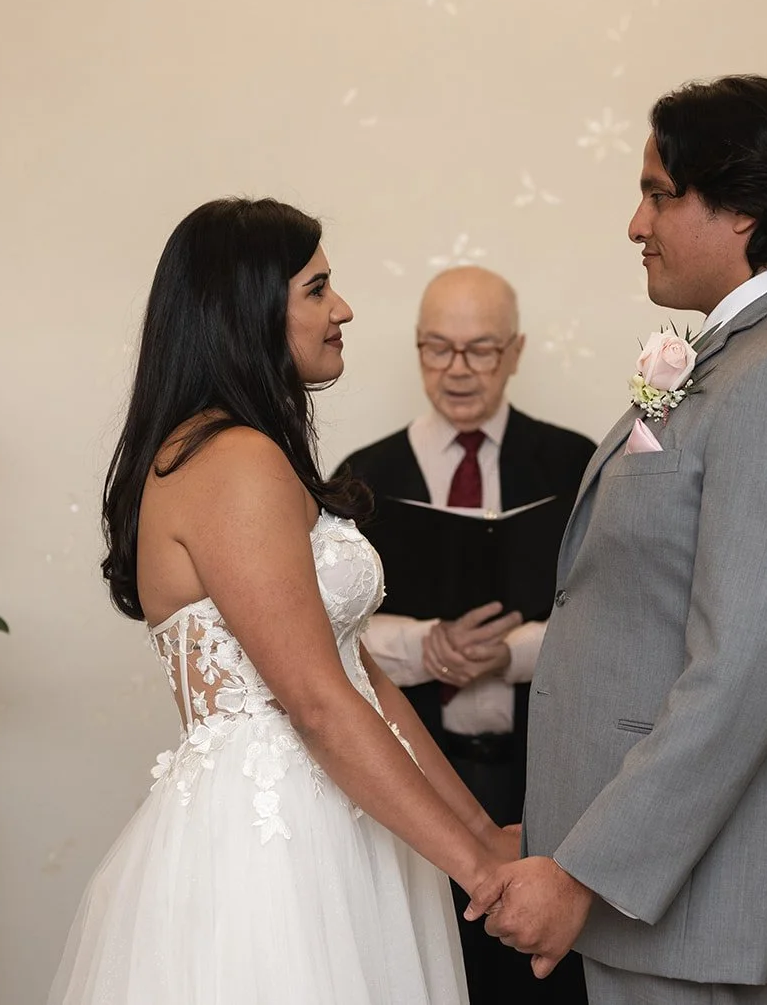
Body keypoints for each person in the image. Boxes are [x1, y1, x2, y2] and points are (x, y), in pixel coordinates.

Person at [469, 75, 767, 1005]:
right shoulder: (739, 355)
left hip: (717, 906)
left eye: (659, 192)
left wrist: (584, 869)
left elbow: (744, 674)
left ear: (742, 207)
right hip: (666, 898)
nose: (636, 222)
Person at [50, 198, 515, 1004]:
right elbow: (316, 702)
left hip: (345, 813)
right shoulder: (233, 460)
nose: (344, 309)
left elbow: (361, 677)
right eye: (318, 289)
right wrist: (476, 873)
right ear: (252, 310)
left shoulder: (249, 451)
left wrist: (484, 836)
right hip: (275, 848)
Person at [337, 266, 594, 1003]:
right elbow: (318, 627)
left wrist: (509, 656)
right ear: (416, 350)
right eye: (437, 348)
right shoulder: (363, 476)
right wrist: (426, 645)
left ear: (516, 352)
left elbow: (616, 620)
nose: (457, 370)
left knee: (543, 978)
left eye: (480, 350)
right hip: (414, 773)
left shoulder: (574, 463)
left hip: (546, 770)